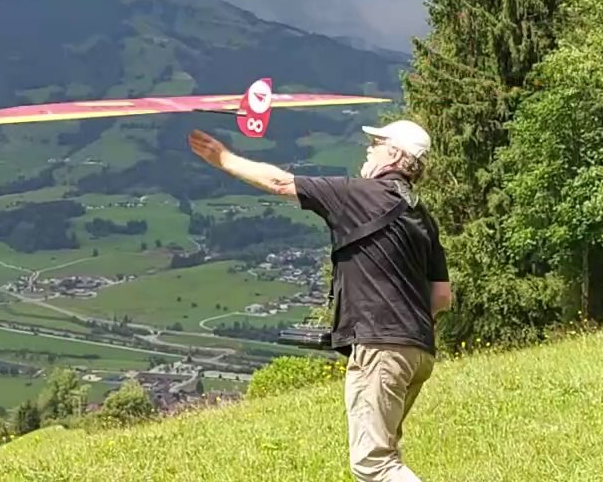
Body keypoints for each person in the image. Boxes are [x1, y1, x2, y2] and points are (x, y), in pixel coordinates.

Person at [188, 119, 452, 482]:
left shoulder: (359, 194)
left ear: (394, 153)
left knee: (374, 464)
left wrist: (224, 158)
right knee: (386, 454)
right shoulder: (421, 215)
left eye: (375, 144)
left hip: (380, 347)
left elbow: (280, 182)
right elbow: (441, 297)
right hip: (419, 350)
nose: (368, 149)